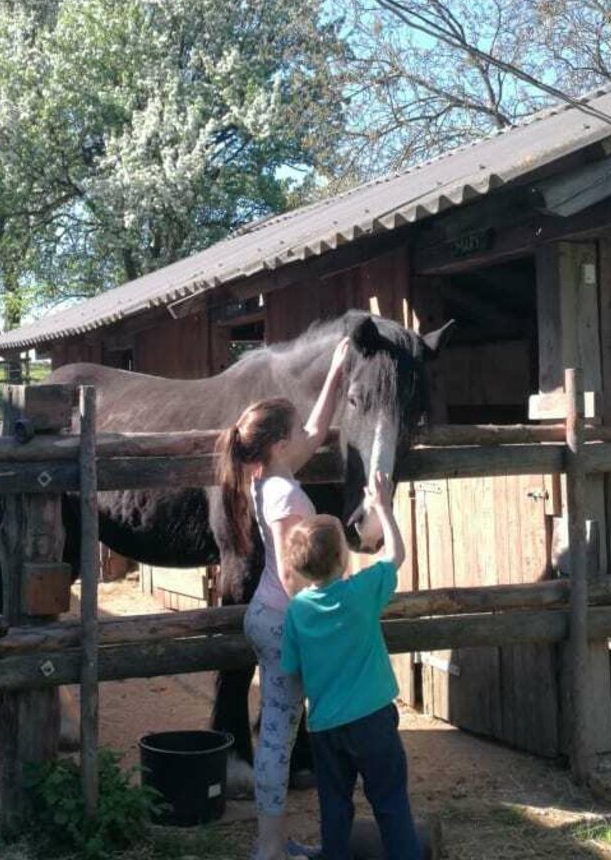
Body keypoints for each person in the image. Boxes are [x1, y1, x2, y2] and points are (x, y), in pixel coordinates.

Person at [215, 337, 352, 860]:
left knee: (281, 729)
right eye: (291, 432)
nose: (304, 437)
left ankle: (275, 843)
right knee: (276, 736)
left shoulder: (269, 474)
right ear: (275, 444)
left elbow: (315, 431)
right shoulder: (282, 496)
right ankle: (269, 847)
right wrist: (328, 622)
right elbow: (295, 574)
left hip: (269, 617)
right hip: (283, 620)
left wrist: (337, 372)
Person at [281, 472, 421, 860]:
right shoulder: (362, 591)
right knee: (391, 802)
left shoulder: (296, 612)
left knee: (335, 807)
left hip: (326, 726)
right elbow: (395, 555)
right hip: (373, 718)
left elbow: (291, 667)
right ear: (344, 557)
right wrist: (383, 508)